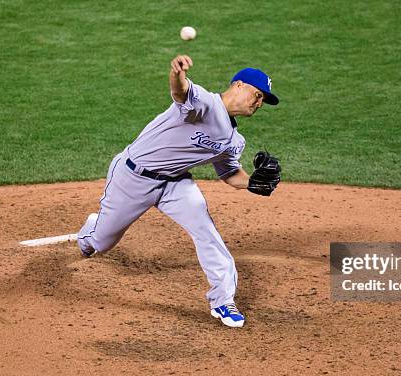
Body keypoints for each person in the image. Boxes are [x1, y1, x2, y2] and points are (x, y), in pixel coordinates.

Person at [77, 55, 280, 328]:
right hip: (133, 176)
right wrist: (177, 73)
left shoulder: (234, 140)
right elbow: (180, 91)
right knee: (100, 243)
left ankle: (223, 300)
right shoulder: (205, 103)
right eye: (257, 95)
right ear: (238, 85)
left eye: (263, 101)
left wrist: (253, 183)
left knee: (205, 230)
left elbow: (230, 173)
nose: (259, 103)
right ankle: (91, 230)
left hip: (175, 184)